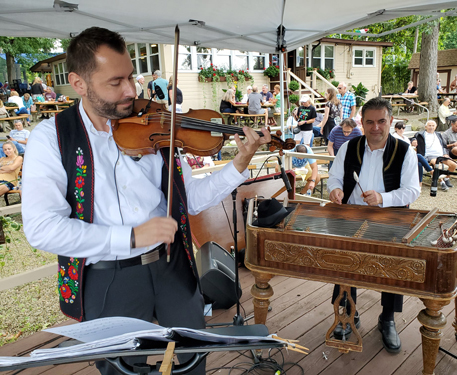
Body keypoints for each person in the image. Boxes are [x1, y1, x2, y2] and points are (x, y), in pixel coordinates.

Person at [21, 26, 271, 375]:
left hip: (172, 267)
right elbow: (42, 228)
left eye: (131, 78)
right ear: (79, 84)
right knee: (122, 370)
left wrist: (239, 164)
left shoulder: (158, 125)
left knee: (193, 362)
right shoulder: (52, 139)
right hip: (109, 278)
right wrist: (131, 236)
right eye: (115, 82)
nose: (130, 91)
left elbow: (190, 199)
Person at [327, 97, 420, 354]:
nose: (375, 127)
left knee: (391, 268)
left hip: (391, 218)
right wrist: (335, 190)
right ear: (362, 122)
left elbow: (412, 191)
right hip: (352, 216)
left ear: (390, 121)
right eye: (370, 122)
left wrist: (383, 199)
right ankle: (348, 314)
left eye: (381, 121)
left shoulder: (404, 151)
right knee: (345, 263)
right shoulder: (349, 147)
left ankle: (387, 319)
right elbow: (334, 177)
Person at [412, 120, 454, 191]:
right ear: (426, 127)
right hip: (429, 155)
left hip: (441, 155)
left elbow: (444, 146)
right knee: (436, 163)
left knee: (453, 165)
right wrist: (413, 140)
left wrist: (445, 153)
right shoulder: (420, 134)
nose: (431, 127)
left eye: (433, 126)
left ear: (435, 127)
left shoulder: (438, 134)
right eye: (429, 125)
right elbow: (412, 138)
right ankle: (442, 182)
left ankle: (446, 178)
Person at [393, 121, 433, 186]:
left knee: (419, 164)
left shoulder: (405, 137)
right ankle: (431, 171)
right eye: (399, 128)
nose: (401, 130)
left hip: (408, 155)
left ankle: (419, 183)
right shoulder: (394, 137)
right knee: (419, 156)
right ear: (396, 128)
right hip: (400, 157)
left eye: (403, 128)